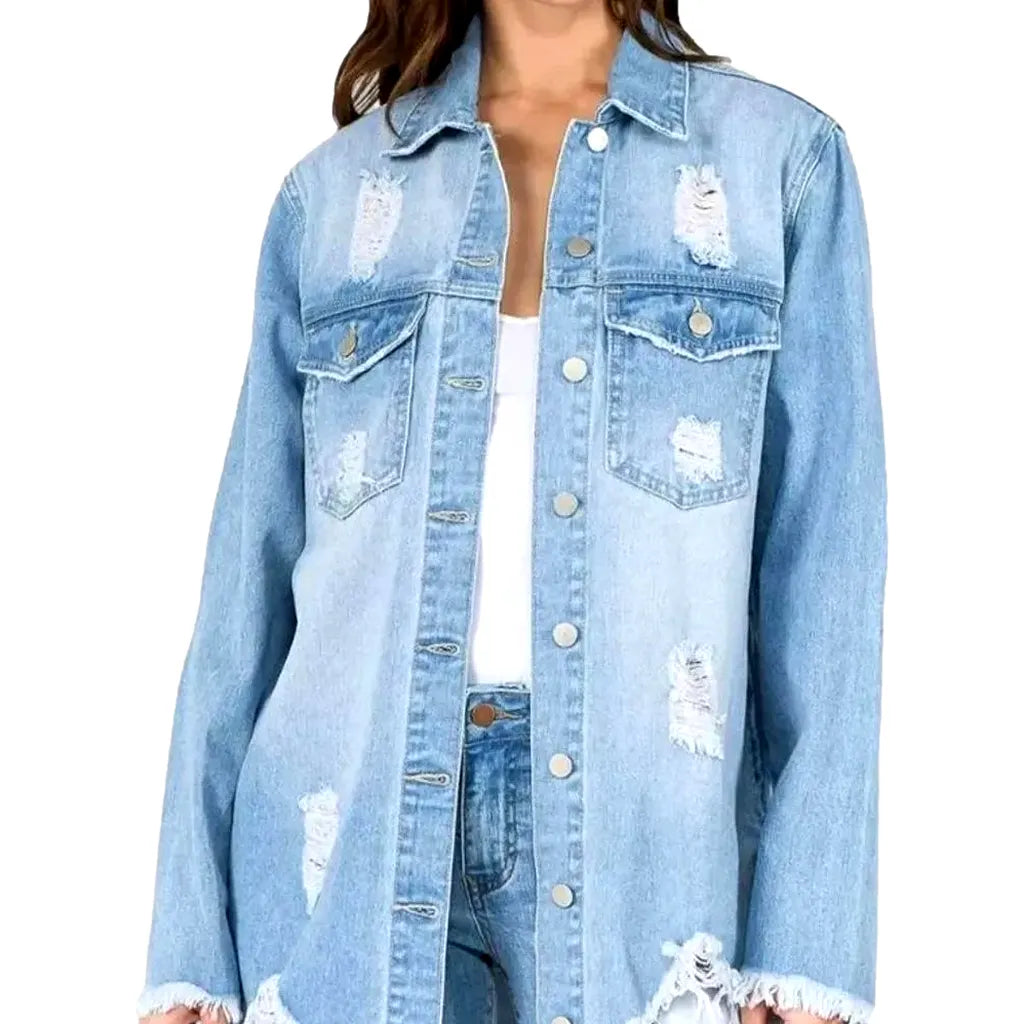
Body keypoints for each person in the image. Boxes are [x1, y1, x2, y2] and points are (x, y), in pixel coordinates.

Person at [137, 2, 886, 1023]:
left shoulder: (778, 166)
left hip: (648, 867)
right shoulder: (336, 196)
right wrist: (189, 949)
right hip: (346, 850)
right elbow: (244, 591)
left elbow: (827, 581)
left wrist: (806, 950)